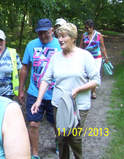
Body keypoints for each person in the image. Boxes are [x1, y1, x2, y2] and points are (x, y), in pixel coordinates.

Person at [31, 23, 100, 159]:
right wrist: (38, 101)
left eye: (64, 36)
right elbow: (46, 79)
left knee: (74, 138)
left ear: (73, 38)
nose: (60, 39)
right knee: (61, 138)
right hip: (59, 104)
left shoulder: (84, 56)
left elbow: (96, 80)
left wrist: (79, 89)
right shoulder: (56, 57)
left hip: (79, 105)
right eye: (59, 36)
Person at [18, 18, 61, 159]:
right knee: (33, 124)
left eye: (45, 33)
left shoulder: (60, 45)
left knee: (56, 123)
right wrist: (21, 89)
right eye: (39, 33)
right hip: (34, 92)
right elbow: (25, 67)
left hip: (55, 92)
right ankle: (35, 154)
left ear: (52, 31)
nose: (42, 36)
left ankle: (58, 141)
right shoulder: (31, 45)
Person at [79, 19, 109, 99]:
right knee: (86, 74)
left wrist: (106, 57)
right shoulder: (84, 35)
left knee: (95, 73)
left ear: (92, 27)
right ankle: (87, 89)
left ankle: (93, 91)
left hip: (97, 58)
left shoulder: (99, 35)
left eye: (87, 27)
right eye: (85, 27)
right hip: (86, 57)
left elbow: (102, 47)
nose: (86, 29)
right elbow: (81, 47)